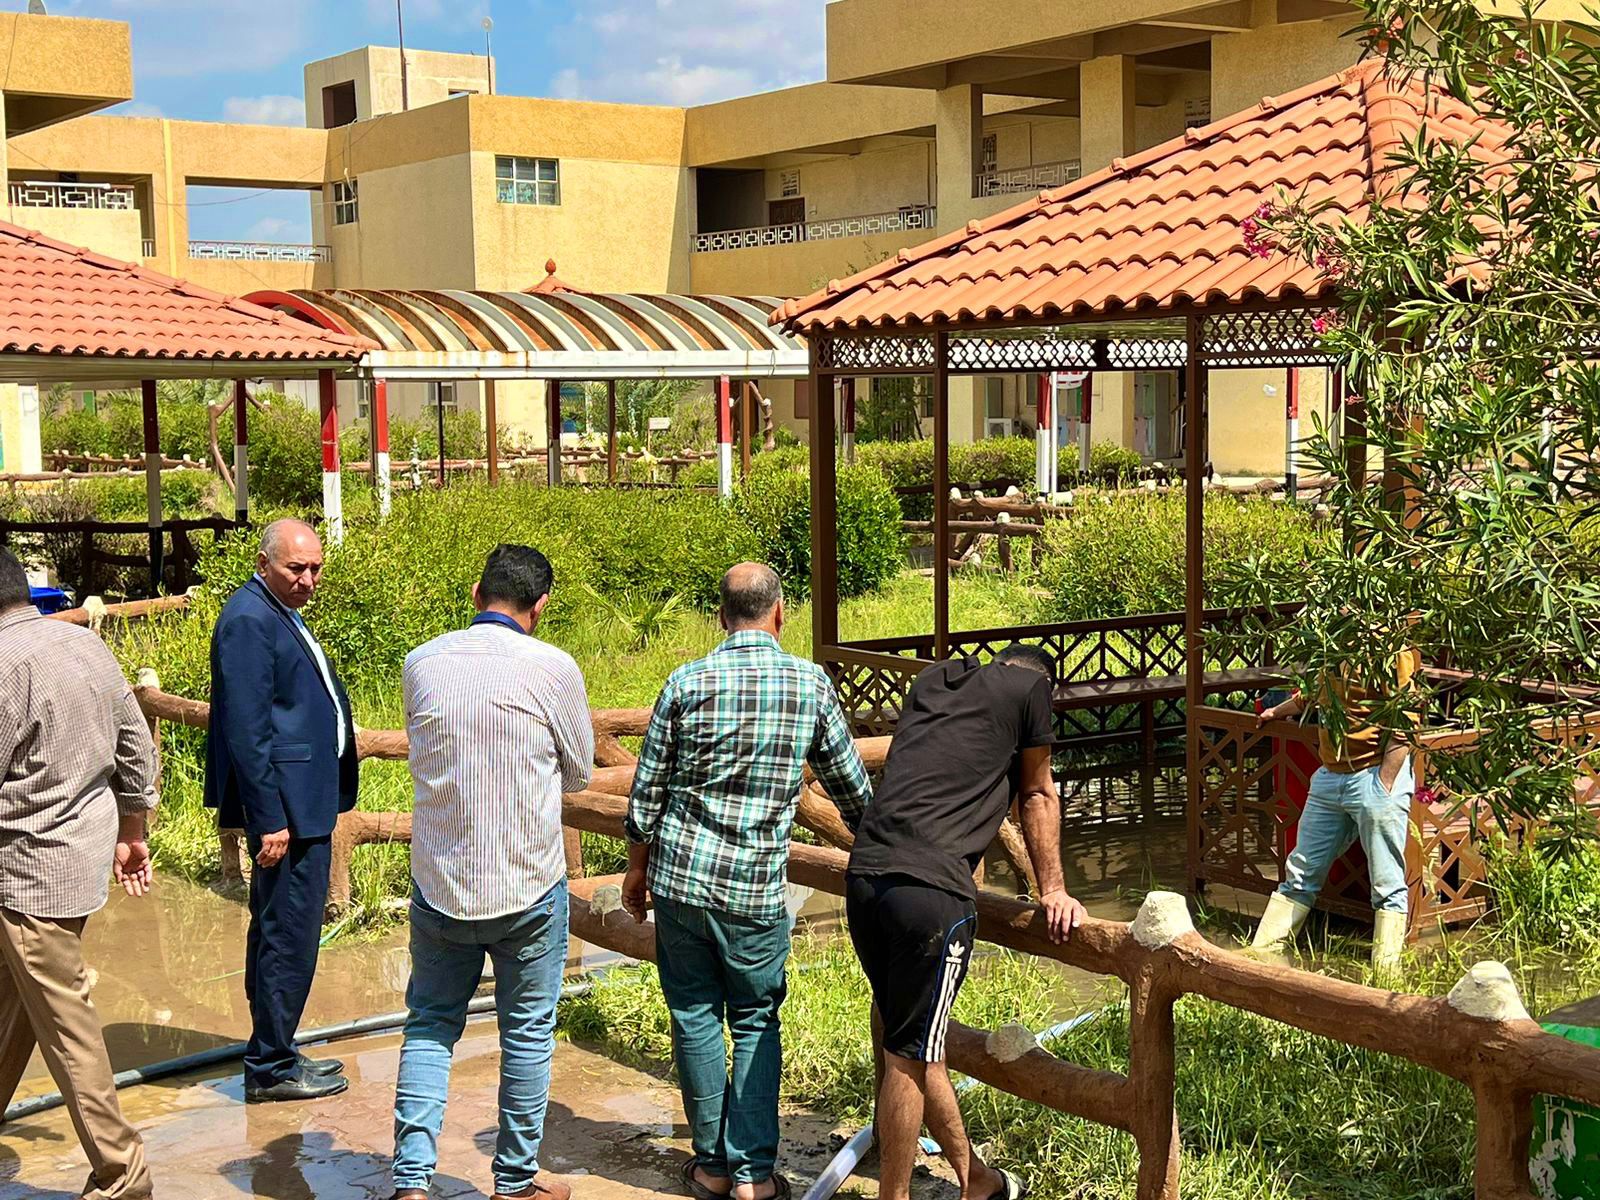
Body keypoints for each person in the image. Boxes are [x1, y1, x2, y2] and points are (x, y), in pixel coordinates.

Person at [623, 563, 872, 1200]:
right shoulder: (809, 684)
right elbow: (853, 791)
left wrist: (636, 868)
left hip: (681, 881)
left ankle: (712, 1165)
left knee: (694, 1014)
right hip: (754, 888)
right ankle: (754, 1176)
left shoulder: (685, 681)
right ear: (780, 613)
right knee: (756, 1019)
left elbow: (647, 793)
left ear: (721, 616)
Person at [845, 643, 1085, 1200]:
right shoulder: (1030, 689)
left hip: (865, 878)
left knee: (915, 1040)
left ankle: (976, 1180)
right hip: (930, 896)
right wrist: (1052, 889)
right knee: (908, 1057)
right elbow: (1037, 792)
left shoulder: (935, 680)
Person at [391, 544, 593, 1200]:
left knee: (429, 1026)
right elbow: (580, 772)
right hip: (527, 882)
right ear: (541, 606)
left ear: (477, 594)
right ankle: (513, 1184)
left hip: (441, 882)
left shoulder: (421, 662)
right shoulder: (554, 668)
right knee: (527, 1034)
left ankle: (412, 1184)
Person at [0, 547, 158, 1200]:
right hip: (76, 866)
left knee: (67, 1029)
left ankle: (123, 1174)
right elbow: (136, 748)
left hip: (23, 874)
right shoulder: (83, 645)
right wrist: (132, 831)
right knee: (16, 1008)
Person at [205, 518, 357, 1103]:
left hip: (302, 802)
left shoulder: (275, 611)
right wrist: (269, 817)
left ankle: (277, 1049)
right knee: (288, 934)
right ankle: (271, 1068)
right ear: (264, 563)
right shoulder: (249, 619)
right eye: (296, 568)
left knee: (282, 928)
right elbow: (247, 731)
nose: (308, 579)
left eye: (316, 568)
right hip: (286, 811)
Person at [1250, 646, 1423, 969]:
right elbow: (1316, 694)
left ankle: (1387, 974)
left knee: (1386, 884)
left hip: (1374, 774)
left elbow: (1407, 714)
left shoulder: (1390, 647)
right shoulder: (1331, 643)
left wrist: (1385, 782)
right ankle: (1261, 960)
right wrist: (1277, 711)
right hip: (1330, 775)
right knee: (1300, 873)